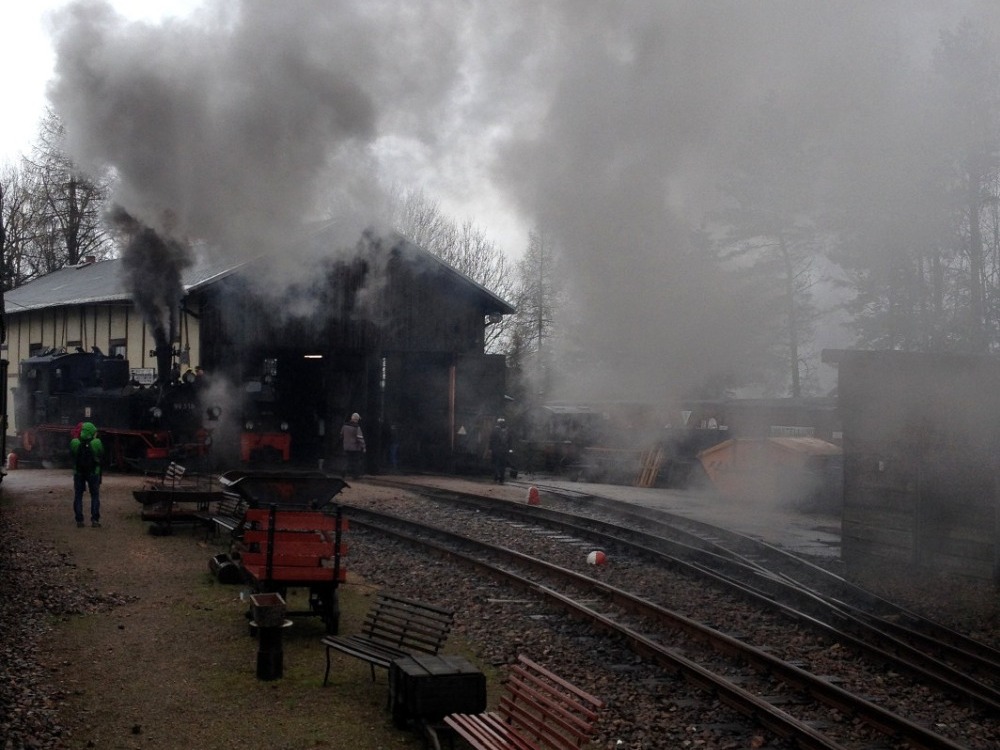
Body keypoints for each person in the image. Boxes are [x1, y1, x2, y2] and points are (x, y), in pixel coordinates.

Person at [70, 421, 105, 528]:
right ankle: (95, 520)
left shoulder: (74, 442)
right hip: (93, 472)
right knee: (95, 496)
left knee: (78, 496)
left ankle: (79, 520)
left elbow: (72, 455)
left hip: (79, 472)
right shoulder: (97, 442)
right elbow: (101, 453)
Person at [339, 412, 366, 479]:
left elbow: (341, 435)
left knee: (347, 460)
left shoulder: (344, 426)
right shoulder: (357, 427)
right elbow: (360, 438)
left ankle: (343, 471)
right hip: (355, 447)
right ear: (357, 419)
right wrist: (363, 446)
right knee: (355, 461)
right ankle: (355, 475)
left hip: (346, 446)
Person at [489, 417, 510, 484]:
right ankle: (502, 480)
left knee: (496, 464)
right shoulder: (507, 431)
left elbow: (491, 440)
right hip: (504, 451)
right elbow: (510, 441)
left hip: (496, 450)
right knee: (503, 466)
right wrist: (509, 449)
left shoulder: (494, 430)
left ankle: (496, 478)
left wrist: (490, 449)